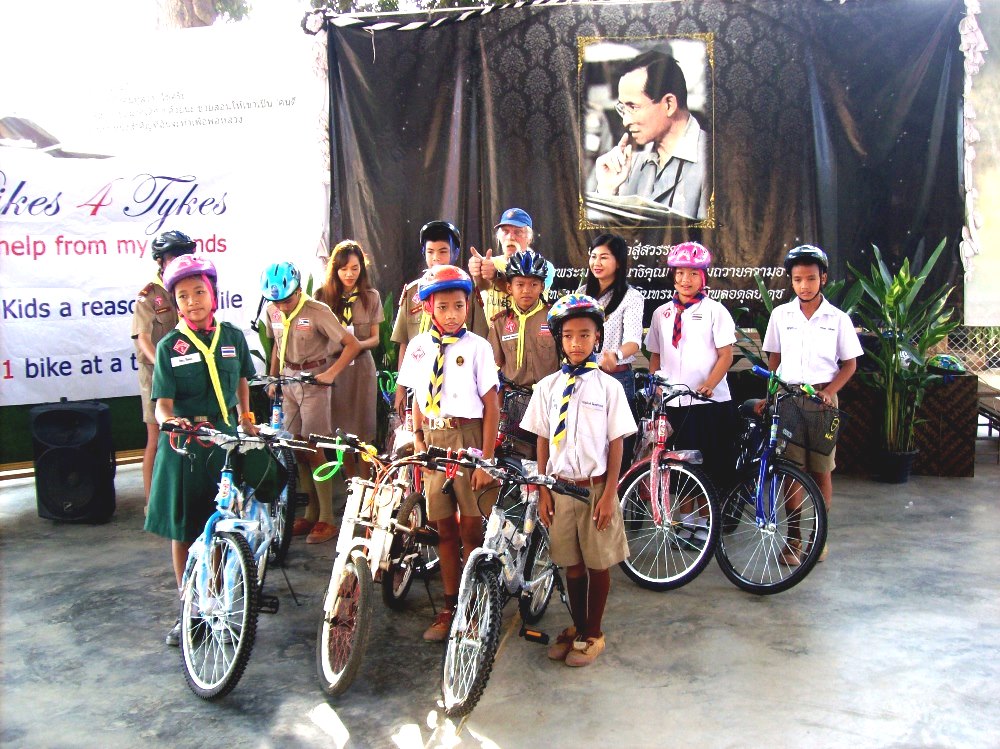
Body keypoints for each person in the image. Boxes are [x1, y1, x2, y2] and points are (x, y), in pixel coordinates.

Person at [144, 255, 274, 646]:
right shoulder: (169, 346)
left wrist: (246, 418)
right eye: (183, 296)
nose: (192, 301)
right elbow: (162, 404)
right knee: (185, 529)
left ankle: (215, 603)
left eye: (199, 292)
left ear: (212, 294)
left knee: (219, 525)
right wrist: (171, 421)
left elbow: (242, 383)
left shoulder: (232, 337)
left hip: (224, 439)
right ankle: (191, 610)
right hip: (186, 444)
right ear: (176, 303)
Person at [521, 294, 636, 667]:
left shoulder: (608, 387)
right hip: (560, 489)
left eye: (584, 335)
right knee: (571, 564)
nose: (576, 343)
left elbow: (617, 443)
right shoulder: (547, 387)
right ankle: (579, 625)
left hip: (595, 489)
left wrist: (609, 494)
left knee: (598, 562)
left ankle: (594, 633)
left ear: (597, 336)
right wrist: (543, 490)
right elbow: (542, 439)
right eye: (568, 335)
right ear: (559, 338)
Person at [396, 265, 500, 641]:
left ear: (468, 304)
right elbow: (417, 397)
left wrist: (485, 460)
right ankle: (450, 607)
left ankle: (473, 607)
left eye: (459, 305)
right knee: (444, 529)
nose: (452, 314)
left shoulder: (478, 347)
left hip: (468, 438)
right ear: (428, 308)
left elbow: (492, 406)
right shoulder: (419, 347)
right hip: (435, 442)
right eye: (443, 307)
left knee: (471, 529)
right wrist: (419, 438)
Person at [762, 244, 863, 564]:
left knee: (821, 471)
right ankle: (794, 539)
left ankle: (818, 539)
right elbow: (774, 359)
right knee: (791, 471)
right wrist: (772, 395)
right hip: (789, 401)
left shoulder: (838, 319)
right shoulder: (781, 315)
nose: (804, 285)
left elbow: (850, 364)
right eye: (797, 279)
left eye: (810, 278)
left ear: (823, 278)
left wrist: (830, 391)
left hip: (823, 404)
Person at [262, 261, 362, 545]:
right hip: (288, 381)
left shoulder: (317, 311)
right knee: (297, 447)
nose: (282, 306)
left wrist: (330, 374)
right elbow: (277, 345)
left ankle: (327, 518)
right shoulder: (272, 310)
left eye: (287, 300)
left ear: (297, 290)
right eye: (277, 301)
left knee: (314, 447)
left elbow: (352, 344)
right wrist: (273, 378)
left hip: (313, 381)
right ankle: (310, 512)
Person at [645, 241, 737, 535]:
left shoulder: (715, 311)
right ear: (673, 276)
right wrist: (656, 386)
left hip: (708, 404)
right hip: (674, 403)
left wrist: (709, 384)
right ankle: (685, 521)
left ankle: (705, 522)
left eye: (693, 274)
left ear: (703, 277)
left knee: (707, 465)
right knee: (680, 466)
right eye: (681, 273)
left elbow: (726, 355)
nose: (686, 280)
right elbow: (655, 355)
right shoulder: (661, 313)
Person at [593, 50, 708, 220]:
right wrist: (607, 191)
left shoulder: (715, 163)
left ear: (669, 104)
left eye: (633, 107)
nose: (625, 121)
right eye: (622, 109)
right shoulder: (629, 166)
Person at [392, 221, 488, 419]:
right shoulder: (413, 292)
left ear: (455, 252)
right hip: (419, 386)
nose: (436, 258)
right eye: (430, 252)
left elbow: (480, 341)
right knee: (417, 434)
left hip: (456, 387)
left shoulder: (466, 292)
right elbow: (404, 343)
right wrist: (401, 388)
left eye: (443, 251)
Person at [131, 230, 196, 512]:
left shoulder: (191, 287)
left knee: (190, 435)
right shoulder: (150, 296)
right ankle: (152, 505)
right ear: (160, 260)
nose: (180, 260)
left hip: (189, 372)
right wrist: (163, 367)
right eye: (174, 256)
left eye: (185, 255)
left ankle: (183, 499)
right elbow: (143, 339)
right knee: (156, 438)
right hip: (156, 374)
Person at [315, 240, 383, 480]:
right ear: (335, 269)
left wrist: (354, 346)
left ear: (362, 268)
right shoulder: (322, 297)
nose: (349, 274)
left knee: (363, 429)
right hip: (334, 369)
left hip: (361, 369)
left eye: (354, 268)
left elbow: (375, 338)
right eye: (344, 269)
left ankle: (366, 483)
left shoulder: (371, 297)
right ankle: (350, 482)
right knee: (340, 430)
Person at [579, 233, 645, 462]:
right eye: (593, 256)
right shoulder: (581, 294)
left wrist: (615, 355)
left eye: (604, 257)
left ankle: (617, 486)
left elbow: (634, 342)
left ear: (618, 261)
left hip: (617, 378)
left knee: (618, 445)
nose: (596, 262)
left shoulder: (632, 297)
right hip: (585, 377)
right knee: (587, 443)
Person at [468, 208, 554, 321]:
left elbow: (528, 295)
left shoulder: (543, 266)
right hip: (494, 331)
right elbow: (483, 287)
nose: (510, 237)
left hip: (528, 330)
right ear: (499, 237)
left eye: (518, 232)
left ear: (529, 238)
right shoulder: (491, 262)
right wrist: (478, 272)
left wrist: (495, 276)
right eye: (505, 232)